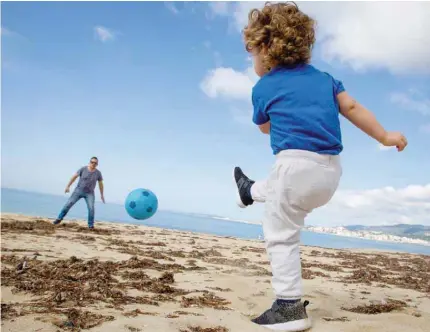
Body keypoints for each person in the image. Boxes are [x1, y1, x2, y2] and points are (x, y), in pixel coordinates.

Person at [232, 3, 407, 331]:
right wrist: (384, 136)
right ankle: (247, 191)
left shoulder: (264, 88)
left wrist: (283, 116)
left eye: (252, 53)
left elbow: (264, 128)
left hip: (293, 166)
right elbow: (352, 107)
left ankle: (288, 307)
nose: (253, 60)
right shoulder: (327, 80)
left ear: (267, 48)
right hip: (329, 173)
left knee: (281, 234)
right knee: (281, 191)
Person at [53, 157, 105, 229]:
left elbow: (100, 184)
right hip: (78, 191)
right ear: (89, 162)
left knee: (91, 208)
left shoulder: (98, 173)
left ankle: (90, 226)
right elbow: (74, 177)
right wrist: (68, 186)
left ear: (97, 164)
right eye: (92, 162)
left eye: (95, 163)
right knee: (68, 204)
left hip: (89, 193)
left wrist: (102, 195)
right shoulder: (83, 169)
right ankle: (59, 219)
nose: (93, 164)